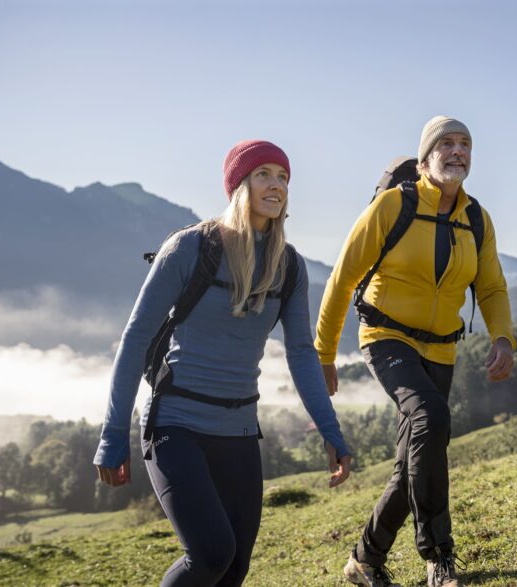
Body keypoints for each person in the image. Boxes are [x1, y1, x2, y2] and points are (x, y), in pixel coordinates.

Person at [93, 140, 352, 587]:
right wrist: (112, 435)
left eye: (283, 177)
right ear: (239, 185)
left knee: (233, 569)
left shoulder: (288, 266)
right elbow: (134, 338)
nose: (277, 185)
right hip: (175, 423)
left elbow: (300, 354)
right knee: (211, 554)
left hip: (239, 429)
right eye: (264, 174)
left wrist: (330, 431)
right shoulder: (190, 248)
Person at [315, 116, 515, 587]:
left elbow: (491, 286)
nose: (457, 151)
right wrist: (322, 354)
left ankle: (364, 561)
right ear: (425, 158)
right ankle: (439, 556)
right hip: (387, 338)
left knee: (415, 460)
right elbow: (343, 278)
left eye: (465, 144)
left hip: (442, 349)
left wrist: (503, 337)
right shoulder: (394, 206)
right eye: (446, 143)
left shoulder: (476, 220)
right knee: (430, 417)